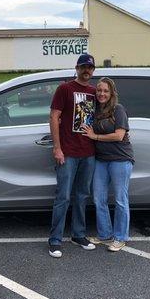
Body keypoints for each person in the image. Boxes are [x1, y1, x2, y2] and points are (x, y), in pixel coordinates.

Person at [48, 54, 97, 258]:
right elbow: (54, 116)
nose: (87, 70)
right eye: (84, 66)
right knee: (63, 197)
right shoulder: (65, 89)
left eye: (90, 67)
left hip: (89, 153)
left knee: (82, 196)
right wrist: (57, 148)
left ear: (93, 70)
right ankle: (55, 240)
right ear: (76, 68)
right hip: (67, 153)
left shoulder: (95, 93)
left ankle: (78, 234)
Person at [82, 77, 134, 252]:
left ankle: (120, 237)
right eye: (99, 90)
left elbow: (119, 135)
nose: (101, 94)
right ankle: (105, 234)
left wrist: (95, 137)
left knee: (120, 199)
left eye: (105, 91)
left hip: (120, 159)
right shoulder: (94, 110)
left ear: (111, 93)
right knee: (98, 198)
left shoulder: (118, 110)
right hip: (101, 160)